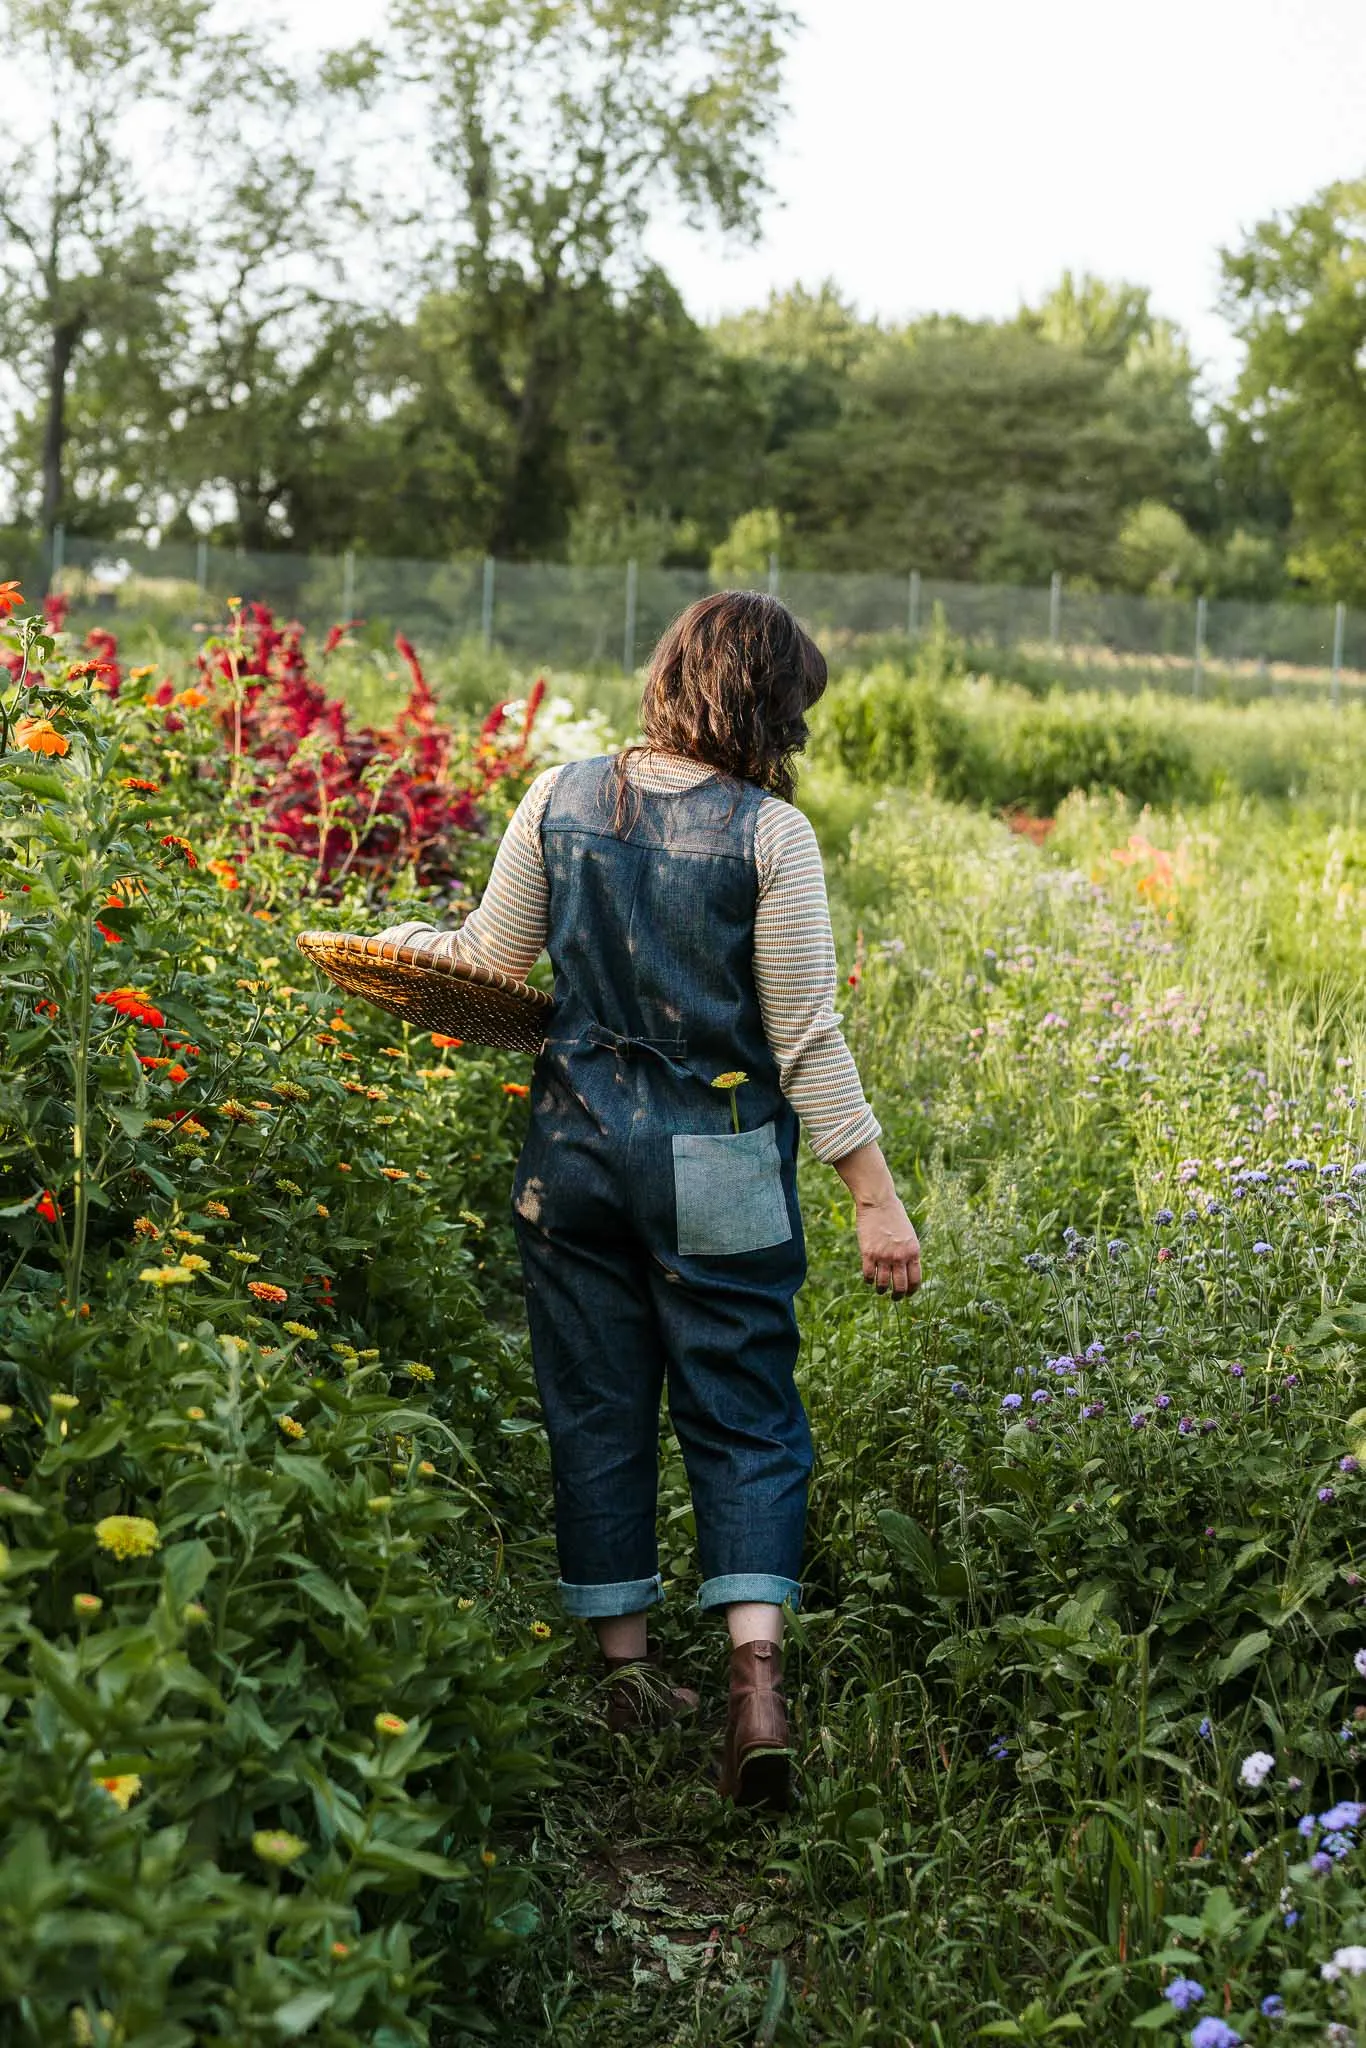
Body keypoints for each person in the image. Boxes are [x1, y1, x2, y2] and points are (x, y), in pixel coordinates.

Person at [376, 591, 921, 1810]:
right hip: (717, 1158)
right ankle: (755, 1689)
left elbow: (483, 961)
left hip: (571, 1155)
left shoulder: (560, 796)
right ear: (767, 703)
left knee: (595, 1400)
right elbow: (807, 1041)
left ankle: (624, 1679)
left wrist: (388, 942)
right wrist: (873, 1200)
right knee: (742, 1411)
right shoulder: (770, 837)